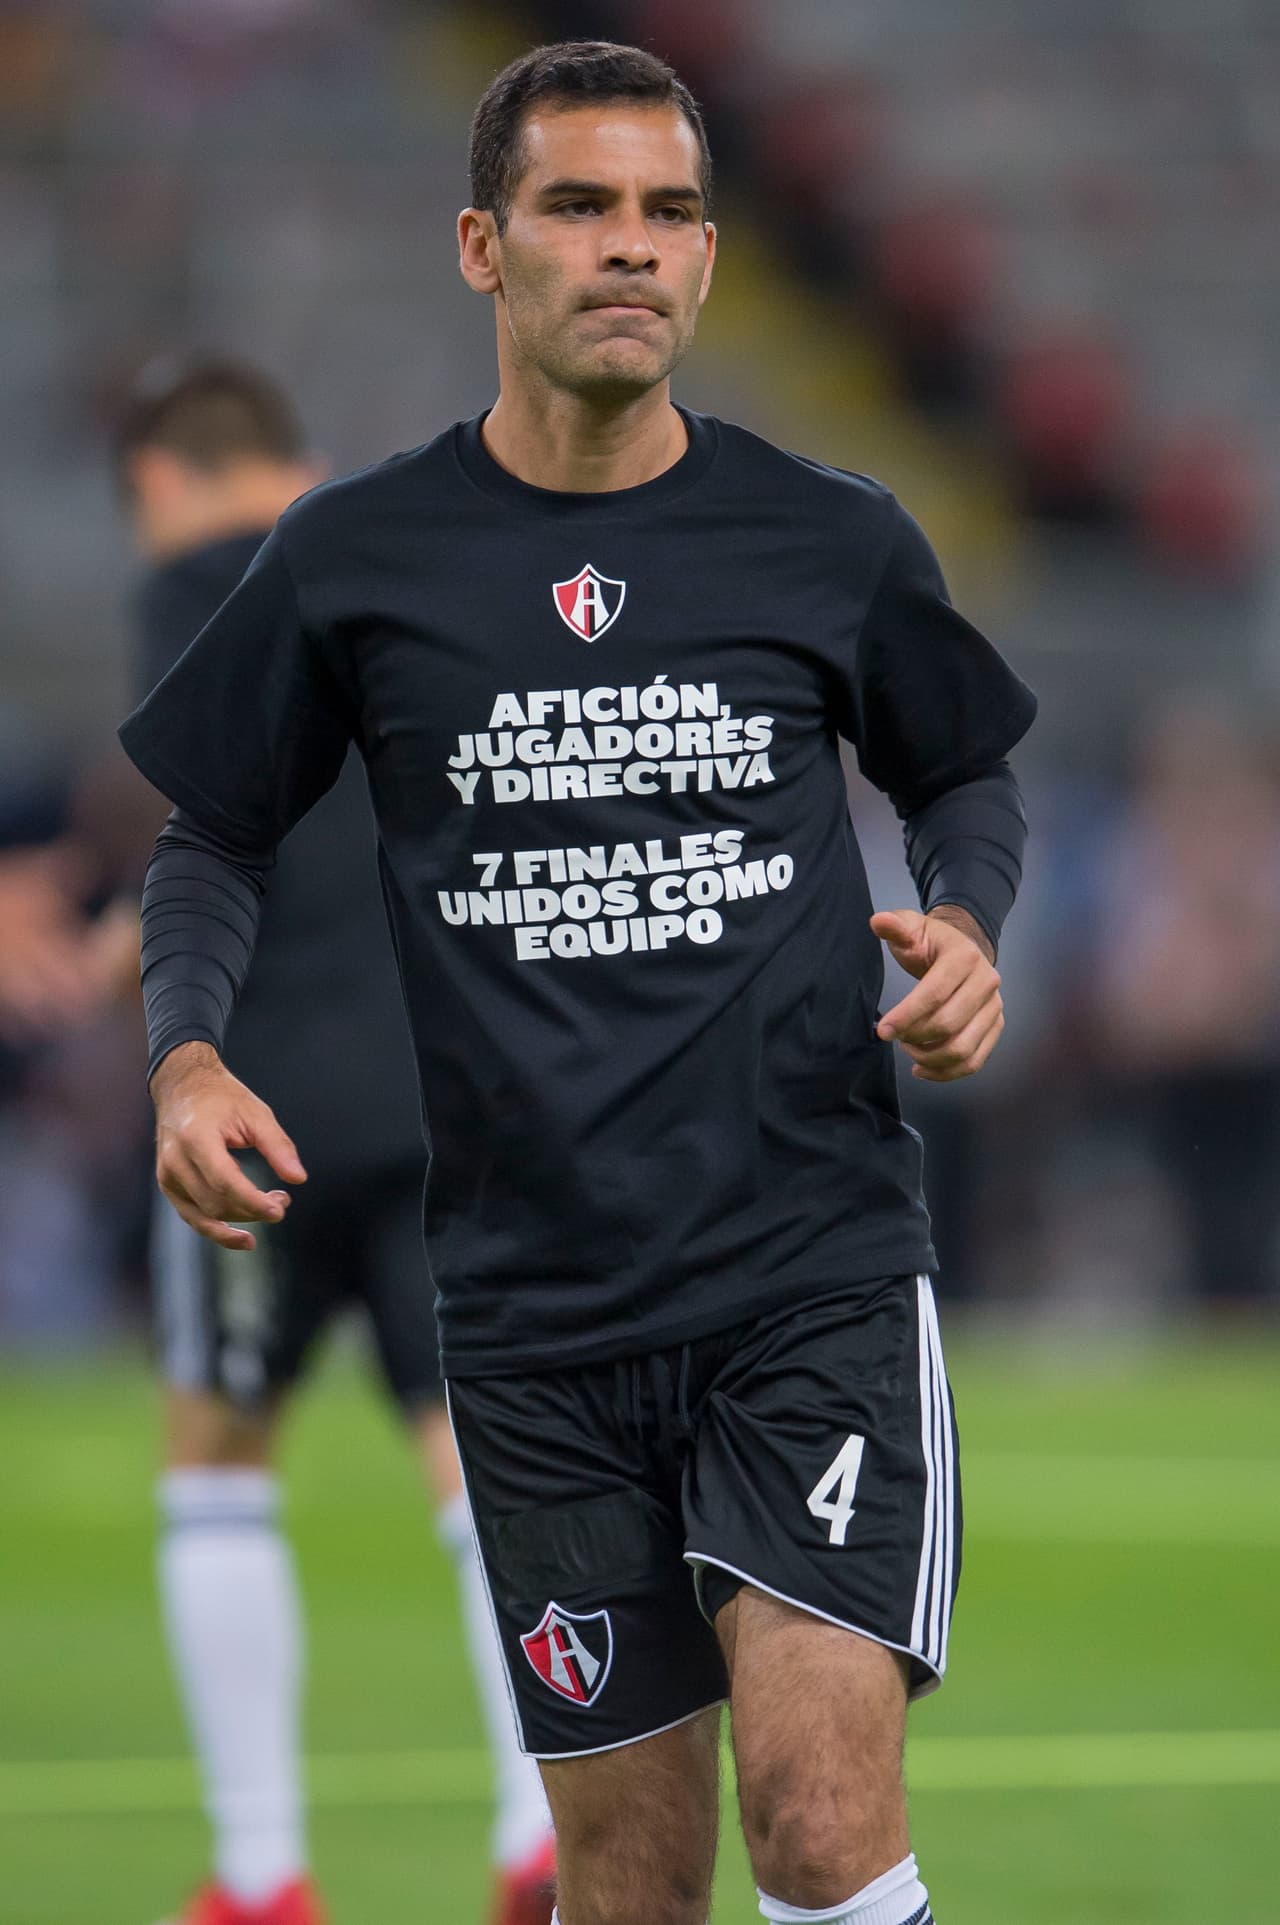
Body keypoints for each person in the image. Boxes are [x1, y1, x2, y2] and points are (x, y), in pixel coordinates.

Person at [119, 43, 1036, 1925]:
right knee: (622, 1880)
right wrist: (185, 1055)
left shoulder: (828, 533)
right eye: (581, 205)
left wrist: (969, 921)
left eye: (670, 211)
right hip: (535, 1312)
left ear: (706, 257)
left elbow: (963, 771)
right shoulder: (357, 557)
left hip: (807, 1272)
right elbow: (210, 834)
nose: (632, 245)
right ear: (484, 246)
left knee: (816, 1816)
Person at [112, 360, 554, 1925]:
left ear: (159, 481)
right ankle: (537, 1824)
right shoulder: (406, 569)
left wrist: (117, 952)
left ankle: (260, 1877)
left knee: (218, 1461)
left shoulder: (192, 587)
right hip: (442, 1090)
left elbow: (216, 827)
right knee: (475, 1461)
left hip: (258, 1099)